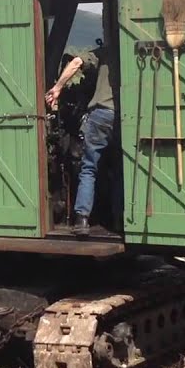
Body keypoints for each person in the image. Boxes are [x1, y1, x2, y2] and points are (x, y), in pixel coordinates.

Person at [46, 42, 116, 236]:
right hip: (125, 115)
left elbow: (76, 61)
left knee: (89, 168)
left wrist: (58, 87)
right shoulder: (130, 50)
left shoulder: (104, 52)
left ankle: (82, 220)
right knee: (120, 168)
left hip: (101, 113)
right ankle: (119, 218)